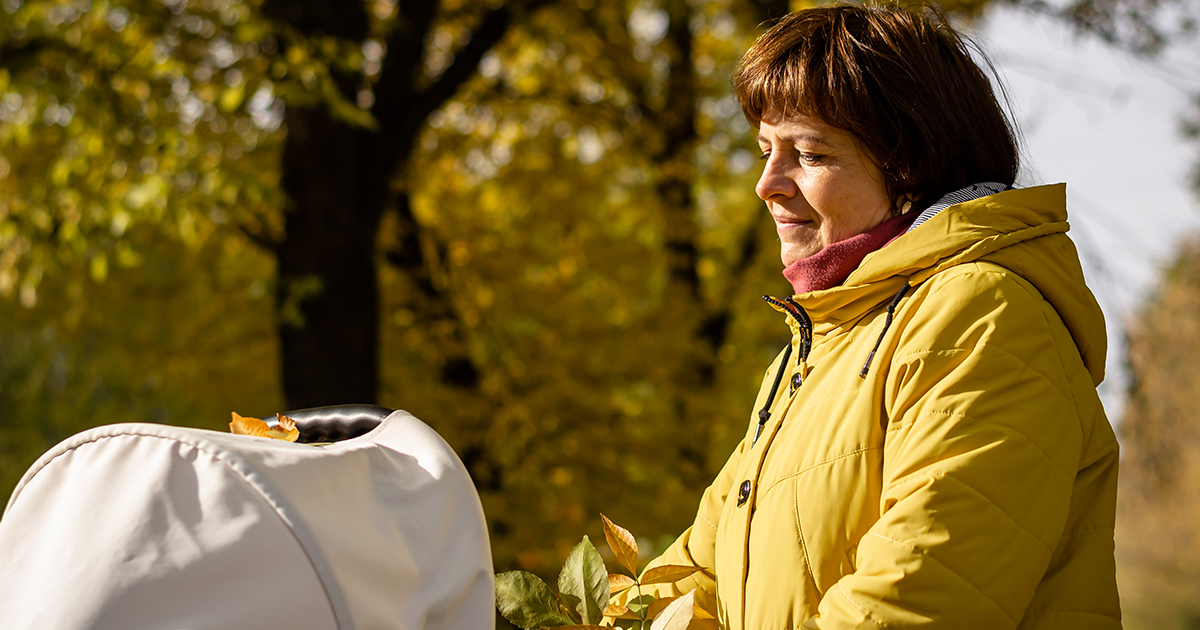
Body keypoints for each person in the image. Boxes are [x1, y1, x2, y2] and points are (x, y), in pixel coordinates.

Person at [620, 3, 1121, 629]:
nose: (767, 184)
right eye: (765, 150)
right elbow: (696, 578)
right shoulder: (815, 351)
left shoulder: (981, 316)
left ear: (909, 164)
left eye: (809, 154)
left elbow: (917, 599)